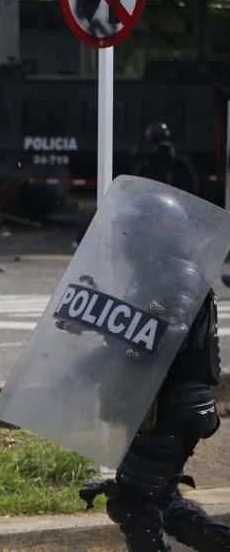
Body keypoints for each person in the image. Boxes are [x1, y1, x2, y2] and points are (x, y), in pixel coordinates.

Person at [81, 192, 230, 551]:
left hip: (172, 407)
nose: (125, 240)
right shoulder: (154, 275)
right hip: (157, 402)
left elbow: (167, 332)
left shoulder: (180, 274)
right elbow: (139, 336)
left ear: (158, 234)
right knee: (164, 502)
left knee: (132, 503)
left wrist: (113, 326)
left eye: (134, 231)